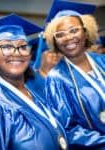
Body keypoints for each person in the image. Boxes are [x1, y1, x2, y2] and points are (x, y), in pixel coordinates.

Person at [0, 14, 68, 150]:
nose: (16, 53)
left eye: (23, 47)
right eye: (6, 47)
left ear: (29, 54)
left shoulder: (34, 95)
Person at [44, 0, 105, 149]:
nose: (68, 38)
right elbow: (67, 130)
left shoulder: (103, 61)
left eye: (73, 30)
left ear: (85, 31)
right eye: (60, 34)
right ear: (55, 40)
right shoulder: (56, 79)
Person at [26, 36, 62, 100]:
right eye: (51, 52)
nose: (56, 55)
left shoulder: (65, 74)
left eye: (58, 51)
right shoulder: (28, 76)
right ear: (39, 55)